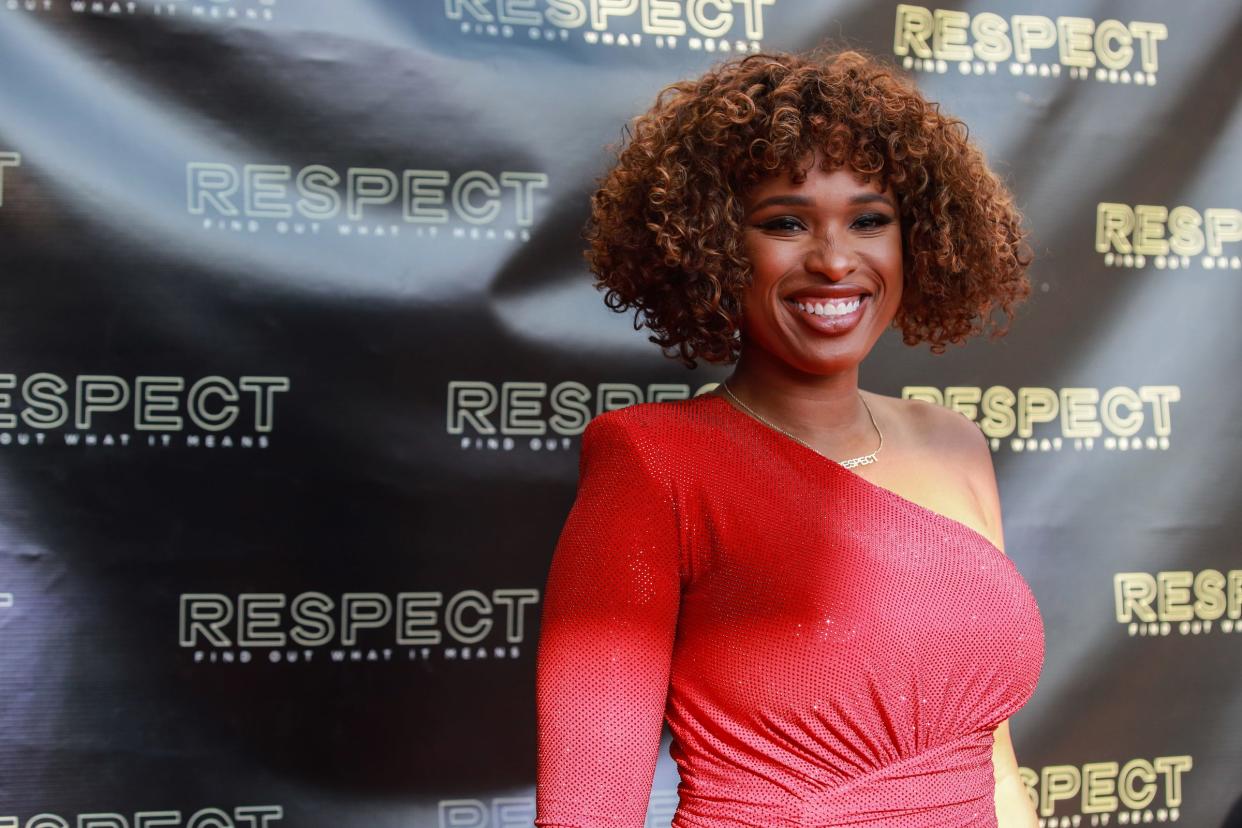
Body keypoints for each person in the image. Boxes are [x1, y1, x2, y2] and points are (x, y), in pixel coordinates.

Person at [534, 45, 1043, 827]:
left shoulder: (953, 444)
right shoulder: (651, 463)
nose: (836, 261)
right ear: (710, 246)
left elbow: (992, 762)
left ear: (921, 240)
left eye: (870, 220)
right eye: (785, 223)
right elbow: (588, 809)